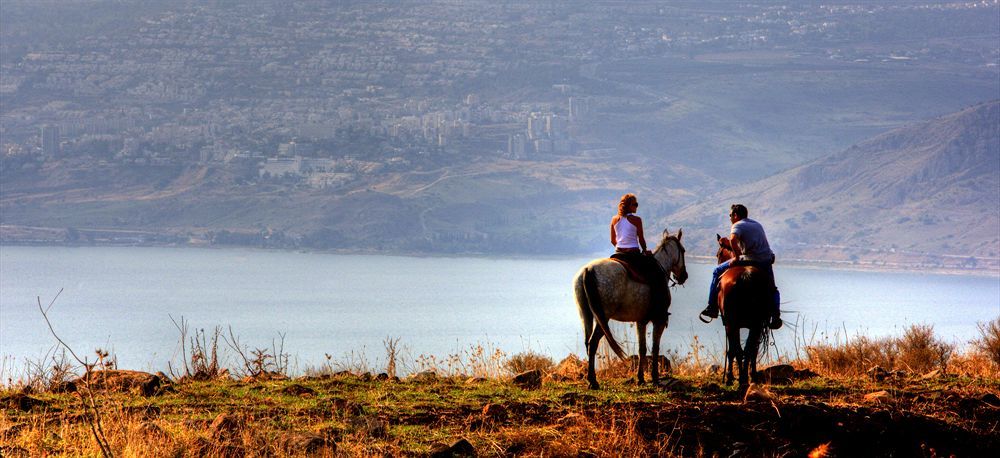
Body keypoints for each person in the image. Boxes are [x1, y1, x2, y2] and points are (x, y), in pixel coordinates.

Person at [700, 204, 782, 329]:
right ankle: (775, 315)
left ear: (736, 215)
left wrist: (737, 258)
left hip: (750, 259)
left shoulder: (737, 225)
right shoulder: (757, 224)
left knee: (716, 271)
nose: (730, 218)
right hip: (766, 259)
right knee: (772, 289)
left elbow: (733, 239)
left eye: (730, 215)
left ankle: (712, 307)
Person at [610, 193, 668, 308]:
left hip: (617, 254)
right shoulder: (636, 220)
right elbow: (641, 239)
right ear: (628, 206)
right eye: (635, 204)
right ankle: (658, 308)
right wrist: (645, 250)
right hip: (633, 255)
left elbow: (612, 240)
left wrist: (622, 247)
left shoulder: (614, 219)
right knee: (657, 274)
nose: (637, 207)